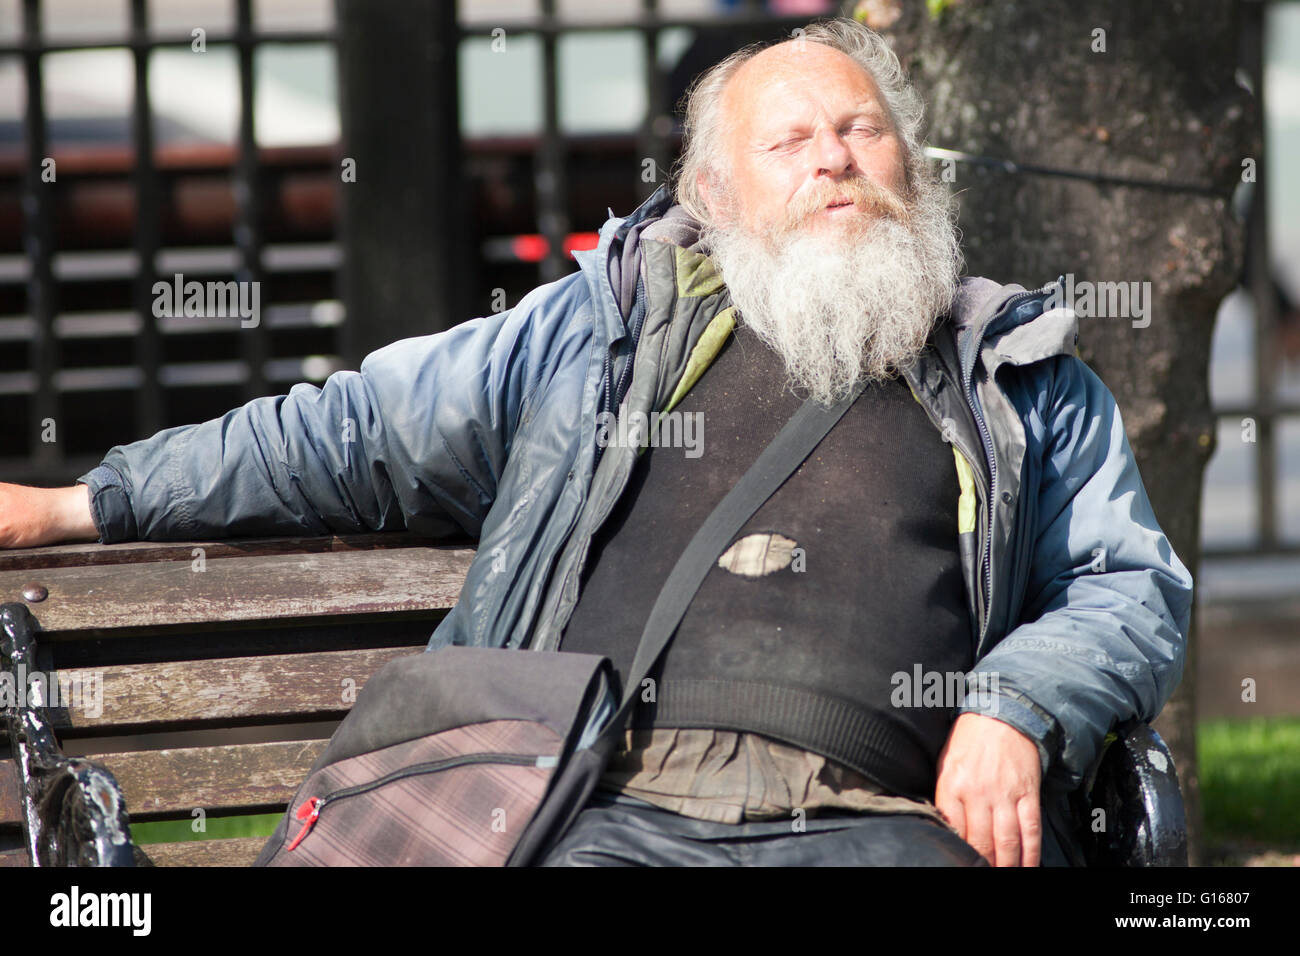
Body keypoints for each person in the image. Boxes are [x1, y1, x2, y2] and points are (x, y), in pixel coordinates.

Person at [0, 18, 1190, 867]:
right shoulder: (601, 330)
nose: (834, 157)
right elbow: (348, 431)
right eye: (791, 142)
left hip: (882, 819)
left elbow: (1126, 584)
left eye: (860, 130)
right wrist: (80, 505)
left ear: (910, 166)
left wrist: (1015, 702)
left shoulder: (1015, 376)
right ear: (715, 195)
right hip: (601, 806)